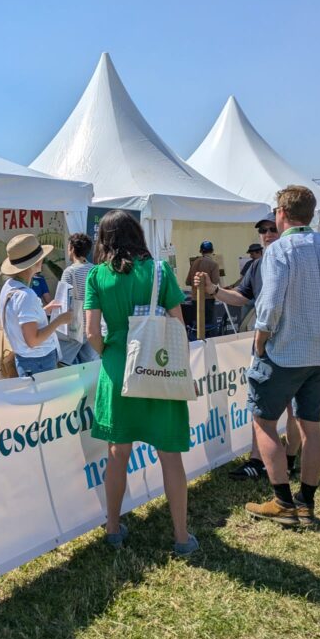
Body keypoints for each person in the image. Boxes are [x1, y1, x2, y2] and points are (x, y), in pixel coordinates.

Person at [84, 210, 198, 556]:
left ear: (104, 240)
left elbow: (91, 334)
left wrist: (113, 352)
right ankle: (181, 536)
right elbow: (178, 324)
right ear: (138, 234)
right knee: (170, 456)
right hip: (158, 367)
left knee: (117, 454)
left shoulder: (96, 276)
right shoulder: (161, 272)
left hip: (119, 368)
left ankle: (114, 527)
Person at [244, 185, 320, 527]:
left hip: (284, 351)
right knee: (312, 426)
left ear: (281, 213)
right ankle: (306, 501)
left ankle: (282, 501)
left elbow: (270, 305)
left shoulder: (279, 251)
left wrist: (260, 341)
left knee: (263, 422)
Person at [194, 214, 301, 481]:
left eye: (271, 229)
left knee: (295, 409)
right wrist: (214, 289)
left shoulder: (296, 259)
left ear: (282, 229)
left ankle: (289, 458)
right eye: (262, 231)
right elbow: (242, 297)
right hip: (267, 346)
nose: (267, 234)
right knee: (261, 408)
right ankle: (258, 460)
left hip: (295, 344)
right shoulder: (257, 266)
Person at [0, 234, 73, 376]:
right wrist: (60, 320)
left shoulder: (8, 287)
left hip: (27, 361)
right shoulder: (26, 295)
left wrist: (42, 310)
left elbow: (18, 318)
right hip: (39, 362)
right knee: (44, 399)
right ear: (34, 262)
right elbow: (33, 340)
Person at [57, 233, 97, 365]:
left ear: (72, 249)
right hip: (92, 325)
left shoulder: (69, 272)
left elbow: (63, 301)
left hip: (74, 327)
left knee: (62, 364)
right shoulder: (95, 270)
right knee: (89, 366)